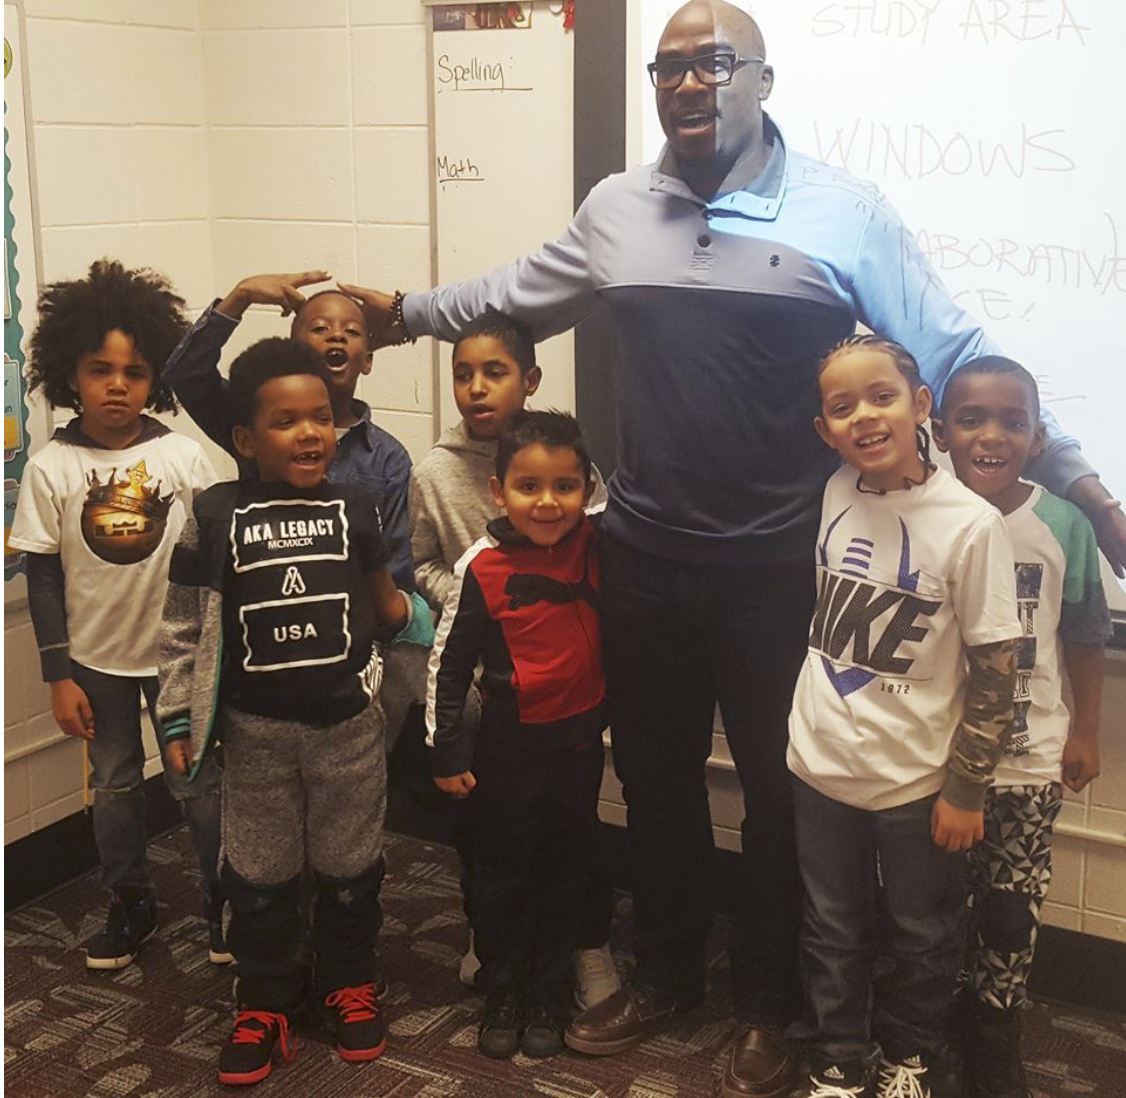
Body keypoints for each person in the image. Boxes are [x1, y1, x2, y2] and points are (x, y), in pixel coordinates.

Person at [338, 2, 1126, 1092]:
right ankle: (665, 970)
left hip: (779, 572)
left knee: (777, 798)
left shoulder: (845, 215)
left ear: (761, 79)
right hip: (647, 561)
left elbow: (957, 354)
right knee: (656, 784)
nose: (687, 84)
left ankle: (767, 1003)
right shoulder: (619, 206)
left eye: (713, 63)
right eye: (668, 68)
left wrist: (1085, 485)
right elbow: (514, 290)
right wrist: (399, 314)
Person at [157, 338, 431, 1087]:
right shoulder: (214, 516)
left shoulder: (357, 507)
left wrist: (423, 634)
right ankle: (266, 998)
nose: (311, 433)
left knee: (350, 870)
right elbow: (182, 630)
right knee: (261, 875)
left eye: (321, 418)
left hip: (347, 729)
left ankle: (348, 982)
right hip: (254, 737)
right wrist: (177, 720)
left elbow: (386, 606)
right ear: (246, 440)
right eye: (286, 421)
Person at [787, 335, 1020, 1098]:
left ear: (921, 407)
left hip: (919, 783)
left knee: (924, 934)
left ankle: (909, 1055)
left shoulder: (971, 523)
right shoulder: (834, 490)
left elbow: (994, 668)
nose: (864, 417)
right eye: (841, 406)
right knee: (831, 925)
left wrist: (967, 788)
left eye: (882, 396)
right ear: (825, 430)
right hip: (820, 764)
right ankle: (837, 1055)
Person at [8, 258, 226, 971]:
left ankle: (224, 898)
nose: (116, 387)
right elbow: (43, 576)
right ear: (70, 374)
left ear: (153, 378)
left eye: (132, 373)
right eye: (100, 370)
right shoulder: (50, 469)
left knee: (197, 785)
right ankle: (129, 899)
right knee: (115, 786)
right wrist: (56, 675)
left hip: (178, 662)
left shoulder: (182, 457)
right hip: (95, 664)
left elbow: (215, 565)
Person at [409, 308, 617, 1007]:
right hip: (488, 679)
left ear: (527, 380)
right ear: (502, 491)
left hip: (571, 707)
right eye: (462, 373)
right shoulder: (436, 474)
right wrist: (480, 595)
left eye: (493, 373)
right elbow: (421, 563)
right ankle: (496, 947)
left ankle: (579, 948)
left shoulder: (571, 474)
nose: (476, 388)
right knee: (495, 839)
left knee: (571, 840)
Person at [933, 357, 1112, 1098]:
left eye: (1013, 421)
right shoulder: (924, 510)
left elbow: (1087, 635)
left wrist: (1087, 734)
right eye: (971, 418)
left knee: (1010, 910)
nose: (991, 434)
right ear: (941, 432)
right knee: (934, 906)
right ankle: (926, 1024)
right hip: (934, 762)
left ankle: (993, 1034)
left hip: (1029, 760)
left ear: (1039, 439)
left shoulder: (1063, 523)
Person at [163, 271, 426, 748]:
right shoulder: (258, 433)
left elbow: (394, 572)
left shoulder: (386, 458)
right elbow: (185, 375)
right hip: (264, 672)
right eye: (320, 328)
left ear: (367, 358)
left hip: (348, 675)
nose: (336, 336)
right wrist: (238, 296)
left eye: (351, 331)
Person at [427, 410, 606, 1060]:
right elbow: (446, 665)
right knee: (506, 874)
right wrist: (447, 749)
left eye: (565, 485)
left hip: (579, 748)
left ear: (587, 487)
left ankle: (549, 990)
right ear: (499, 490)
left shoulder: (596, 543)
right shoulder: (483, 564)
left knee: (567, 869)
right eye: (529, 486)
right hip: (508, 753)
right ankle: (503, 986)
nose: (548, 501)